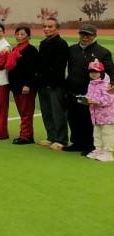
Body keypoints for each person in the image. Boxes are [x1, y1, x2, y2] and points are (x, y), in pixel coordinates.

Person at [65, 23, 114, 155]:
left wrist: (112, 84)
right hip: (72, 90)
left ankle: (90, 145)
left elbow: (111, 71)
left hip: (92, 94)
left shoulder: (103, 52)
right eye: (83, 34)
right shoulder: (72, 49)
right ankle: (77, 143)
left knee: (87, 120)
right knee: (73, 118)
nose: (85, 37)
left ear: (94, 36)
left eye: (89, 35)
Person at [37, 18, 69, 150]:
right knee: (47, 112)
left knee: (58, 113)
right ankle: (51, 137)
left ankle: (61, 140)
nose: (47, 29)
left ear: (57, 28)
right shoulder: (43, 43)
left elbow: (59, 67)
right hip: (43, 84)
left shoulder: (61, 44)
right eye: (45, 26)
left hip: (56, 85)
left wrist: (52, 82)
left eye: (50, 26)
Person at [6, 25, 38, 145]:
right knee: (22, 111)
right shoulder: (15, 49)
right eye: (17, 34)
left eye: (22, 34)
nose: (19, 36)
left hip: (25, 86)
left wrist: (27, 84)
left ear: (28, 37)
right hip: (16, 85)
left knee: (26, 112)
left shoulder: (30, 50)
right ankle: (27, 134)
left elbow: (32, 70)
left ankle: (25, 136)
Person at [84, 61, 114, 162]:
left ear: (101, 72)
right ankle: (99, 150)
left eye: (96, 71)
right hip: (96, 115)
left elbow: (109, 99)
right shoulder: (91, 84)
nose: (93, 74)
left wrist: (95, 101)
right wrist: (85, 99)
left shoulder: (108, 84)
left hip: (107, 115)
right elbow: (89, 96)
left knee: (107, 134)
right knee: (97, 134)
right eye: (91, 71)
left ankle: (108, 153)